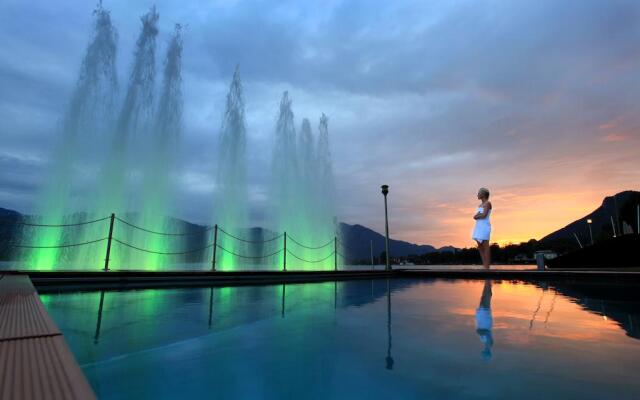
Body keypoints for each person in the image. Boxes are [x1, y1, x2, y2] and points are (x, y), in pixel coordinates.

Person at [472, 187, 492, 269]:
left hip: (485, 226)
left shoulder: (488, 203)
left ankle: (487, 267)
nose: (477, 194)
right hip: (478, 226)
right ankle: (484, 266)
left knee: (485, 246)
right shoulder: (480, 205)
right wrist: (477, 215)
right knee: (479, 245)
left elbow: (483, 215)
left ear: (483, 194)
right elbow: (475, 216)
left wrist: (477, 216)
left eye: (479, 193)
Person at [475, 280, 494, 361]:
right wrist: (480, 332)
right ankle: (488, 276)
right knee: (487, 293)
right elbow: (481, 331)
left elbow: (480, 331)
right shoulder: (488, 343)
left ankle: (488, 276)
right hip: (484, 314)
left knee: (487, 293)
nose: (484, 350)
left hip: (483, 314)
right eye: (485, 352)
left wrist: (480, 332)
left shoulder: (486, 342)